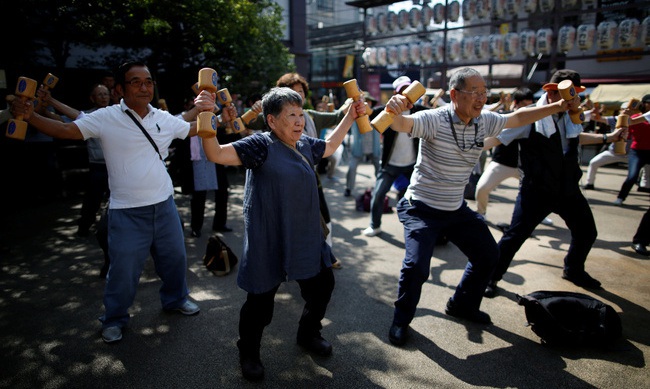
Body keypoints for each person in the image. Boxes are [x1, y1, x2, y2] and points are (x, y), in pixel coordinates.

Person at [10, 61, 221, 343]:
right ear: (120, 89)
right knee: (123, 270)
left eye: (148, 81)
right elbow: (68, 130)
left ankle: (175, 299)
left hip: (165, 205)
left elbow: (193, 128)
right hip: (127, 211)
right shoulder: (106, 117)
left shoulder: (162, 117)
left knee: (175, 261)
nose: (144, 87)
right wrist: (31, 117)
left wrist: (214, 112)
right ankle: (114, 318)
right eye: (136, 82)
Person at [383, 67, 587, 347]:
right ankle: (400, 321)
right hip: (422, 208)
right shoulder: (434, 119)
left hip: (455, 209)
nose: (481, 98)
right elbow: (401, 125)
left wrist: (557, 106)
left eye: (484, 93)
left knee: (489, 255)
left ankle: (461, 304)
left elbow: (516, 117)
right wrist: (394, 110)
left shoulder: (485, 121)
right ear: (454, 95)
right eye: (474, 93)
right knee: (417, 267)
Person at [200, 87, 365, 381]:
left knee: (323, 285)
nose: (299, 121)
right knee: (260, 304)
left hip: (304, 236)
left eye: (301, 114)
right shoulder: (259, 146)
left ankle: (308, 333)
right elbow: (214, 153)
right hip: (270, 238)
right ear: (272, 121)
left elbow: (327, 146)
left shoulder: (303, 145)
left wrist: (350, 116)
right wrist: (205, 115)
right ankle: (248, 351)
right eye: (291, 115)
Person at [484, 69, 626, 298]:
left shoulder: (571, 116)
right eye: (566, 94)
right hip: (536, 190)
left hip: (568, 188)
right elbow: (497, 138)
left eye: (574, 95)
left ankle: (573, 269)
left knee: (587, 232)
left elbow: (575, 137)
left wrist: (607, 138)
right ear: (551, 92)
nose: (571, 100)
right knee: (515, 236)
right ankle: (490, 277)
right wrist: (466, 149)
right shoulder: (529, 115)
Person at [362, 76, 427, 237]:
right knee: (378, 194)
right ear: (395, 93)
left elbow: (436, 116)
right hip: (390, 165)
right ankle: (374, 225)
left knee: (420, 197)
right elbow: (370, 114)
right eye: (402, 91)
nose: (406, 95)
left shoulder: (418, 110)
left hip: (412, 164)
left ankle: (424, 228)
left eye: (408, 90)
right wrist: (362, 105)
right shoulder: (387, 112)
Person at [475, 88, 534, 218]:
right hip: (501, 163)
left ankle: (538, 214)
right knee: (482, 189)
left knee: (538, 191)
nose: (529, 109)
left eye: (531, 105)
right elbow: (492, 136)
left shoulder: (536, 121)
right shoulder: (505, 117)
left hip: (524, 166)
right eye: (525, 105)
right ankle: (481, 213)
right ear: (516, 103)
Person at [613, 94, 650, 205]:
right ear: (643, 104)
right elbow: (629, 122)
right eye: (648, 102)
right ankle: (620, 197)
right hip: (637, 152)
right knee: (632, 176)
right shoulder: (638, 116)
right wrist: (625, 115)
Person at [344, 91, 381, 197]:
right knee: (352, 167)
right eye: (364, 102)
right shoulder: (355, 115)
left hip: (373, 148)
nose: (366, 104)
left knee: (379, 168)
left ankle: (380, 188)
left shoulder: (375, 115)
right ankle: (348, 188)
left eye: (368, 102)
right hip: (358, 148)